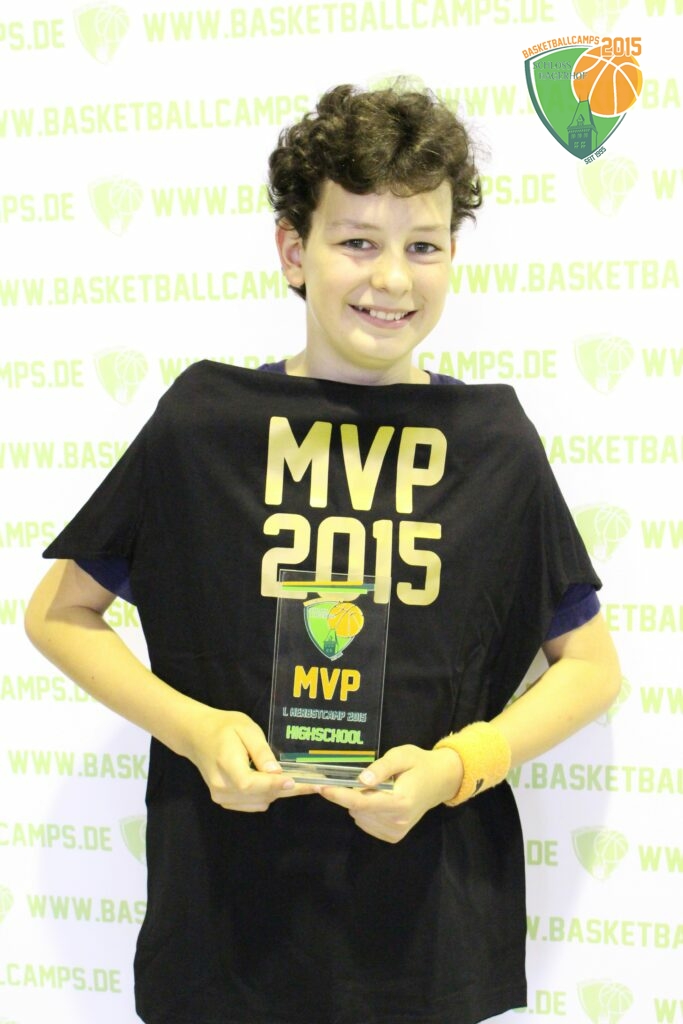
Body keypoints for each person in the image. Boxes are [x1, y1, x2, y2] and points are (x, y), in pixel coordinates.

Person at [25, 83, 621, 1024]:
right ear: (292, 251)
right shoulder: (204, 423)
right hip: (226, 931)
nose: (392, 279)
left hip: (424, 938)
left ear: (453, 257)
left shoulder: (493, 441)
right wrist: (195, 731)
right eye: (357, 241)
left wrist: (459, 765)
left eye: (422, 245)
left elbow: (589, 668)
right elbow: (59, 613)